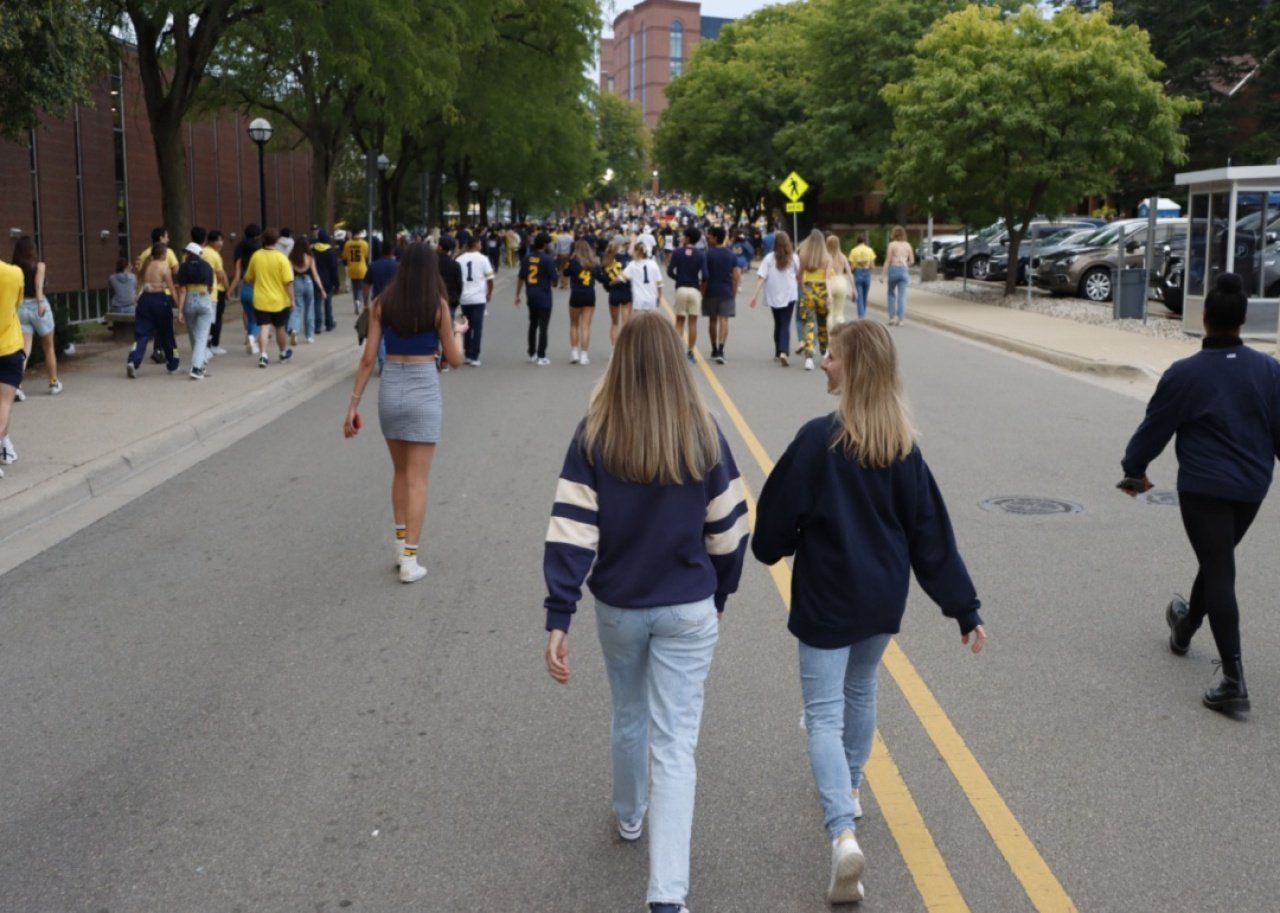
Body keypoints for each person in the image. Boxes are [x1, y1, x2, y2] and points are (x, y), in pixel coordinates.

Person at [752, 320, 985, 905]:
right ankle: (851, 789)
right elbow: (932, 536)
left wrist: (773, 546)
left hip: (828, 599)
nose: (824, 364)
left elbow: (773, 525)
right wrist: (964, 607)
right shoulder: (902, 448)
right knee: (861, 690)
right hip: (882, 600)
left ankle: (842, 834)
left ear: (853, 370)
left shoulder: (816, 442)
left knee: (824, 714)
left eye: (831, 357)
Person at [542, 312, 749, 913]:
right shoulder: (704, 433)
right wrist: (720, 594)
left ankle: (629, 815)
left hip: (620, 604)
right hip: (688, 603)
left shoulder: (596, 433)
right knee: (676, 743)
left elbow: (571, 531)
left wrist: (560, 614)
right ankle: (667, 894)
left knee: (629, 712)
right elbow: (729, 531)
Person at [1119, 272, 1280, 715]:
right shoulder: (1269, 369)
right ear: (1242, 321)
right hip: (1250, 488)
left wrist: (1135, 471)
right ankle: (1186, 625)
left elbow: (1155, 427)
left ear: (1204, 318)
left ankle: (1233, 680)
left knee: (1219, 569)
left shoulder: (1185, 373)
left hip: (1205, 488)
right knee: (1217, 561)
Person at [343, 242, 466, 583]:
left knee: (399, 473)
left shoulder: (383, 302)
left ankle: (400, 549)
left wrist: (353, 404)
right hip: (423, 387)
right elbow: (454, 360)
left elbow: (368, 358)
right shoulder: (437, 305)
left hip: (391, 388)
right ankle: (411, 559)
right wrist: (458, 331)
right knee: (418, 479)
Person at [11, 236, 61, 395]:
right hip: (38, 306)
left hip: (21, 308)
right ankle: (53, 383)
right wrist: (40, 303)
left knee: (24, 350)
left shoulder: (14, 269)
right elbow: (38, 284)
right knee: (49, 347)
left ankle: (17, 386)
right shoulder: (39, 266)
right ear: (33, 250)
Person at [126, 242, 181, 377]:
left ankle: (133, 360)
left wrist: (136, 295)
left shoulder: (146, 266)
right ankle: (173, 363)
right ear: (163, 254)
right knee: (166, 332)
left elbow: (139, 284)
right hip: (160, 299)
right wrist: (179, 305)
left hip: (145, 299)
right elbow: (172, 288)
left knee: (141, 333)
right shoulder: (164, 267)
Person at [748, 229, 799, 366]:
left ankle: (778, 351)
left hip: (773, 295)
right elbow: (798, 275)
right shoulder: (793, 258)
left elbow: (761, 277)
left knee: (778, 322)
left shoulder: (769, 258)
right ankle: (784, 351)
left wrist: (754, 295)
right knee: (785, 323)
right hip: (789, 295)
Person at [244, 229, 295, 367]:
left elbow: (248, 278)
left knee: (264, 327)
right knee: (280, 328)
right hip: (279, 300)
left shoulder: (256, 256)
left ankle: (263, 355)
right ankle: (283, 353)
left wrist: (258, 283)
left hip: (261, 299)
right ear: (277, 241)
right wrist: (292, 300)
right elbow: (288, 282)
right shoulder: (281, 258)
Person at [515, 231, 558, 366]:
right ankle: (541, 355)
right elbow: (554, 281)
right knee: (543, 326)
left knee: (533, 324)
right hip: (544, 295)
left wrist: (517, 294)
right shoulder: (547, 259)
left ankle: (532, 352)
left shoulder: (527, 258)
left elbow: (521, 277)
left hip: (531, 294)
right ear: (545, 245)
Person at [175, 241, 216, 379]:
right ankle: (197, 367)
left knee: (194, 335)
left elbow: (182, 290)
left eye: (186, 252)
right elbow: (210, 288)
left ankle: (200, 364)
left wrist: (180, 311)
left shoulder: (184, 267)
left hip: (189, 301)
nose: (185, 255)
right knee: (202, 336)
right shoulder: (207, 266)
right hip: (204, 298)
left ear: (190, 254)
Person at [0, 255, 25, 473]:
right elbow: (17, 304)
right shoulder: (14, 273)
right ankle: (4, 448)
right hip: (8, 346)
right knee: (5, 403)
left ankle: (5, 445)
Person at [668, 227, 706, 365]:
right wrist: (701, 288)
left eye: (684, 236)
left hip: (681, 288)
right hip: (694, 289)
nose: (682, 238)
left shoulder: (677, 253)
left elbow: (669, 271)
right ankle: (690, 352)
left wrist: (679, 278)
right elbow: (705, 275)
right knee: (693, 323)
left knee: (679, 321)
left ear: (688, 238)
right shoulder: (701, 254)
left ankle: (677, 352)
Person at [702, 225, 740, 365]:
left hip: (711, 291)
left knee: (712, 320)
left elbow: (705, 276)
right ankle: (721, 350)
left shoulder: (708, 254)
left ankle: (713, 349)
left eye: (710, 236)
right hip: (726, 291)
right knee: (724, 320)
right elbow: (736, 276)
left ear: (715, 237)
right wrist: (734, 292)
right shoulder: (730, 254)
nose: (708, 238)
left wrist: (702, 292)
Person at [796, 229, 833, 372]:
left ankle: (809, 358)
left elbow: (799, 276)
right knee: (823, 324)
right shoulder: (827, 257)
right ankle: (825, 352)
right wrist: (829, 295)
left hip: (808, 291)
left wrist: (802, 287)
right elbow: (828, 279)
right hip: (822, 291)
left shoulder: (804, 255)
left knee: (808, 324)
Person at [456, 233, 494, 366]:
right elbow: (490, 278)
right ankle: (475, 356)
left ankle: (467, 354)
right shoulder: (483, 259)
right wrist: (489, 293)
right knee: (477, 328)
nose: (481, 245)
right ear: (476, 244)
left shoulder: (459, 259)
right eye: (480, 243)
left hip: (464, 298)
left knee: (466, 326)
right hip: (478, 298)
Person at [566, 239, 603, 365]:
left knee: (574, 324)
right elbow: (601, 278)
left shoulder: (574, 263)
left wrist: (570, 259)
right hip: (589, 295)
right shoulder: (593, 263)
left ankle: (574, 353)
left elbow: (565, 273)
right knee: (585, 326)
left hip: (576, 294)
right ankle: (584, 355)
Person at [230, 223, 262, 354]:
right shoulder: (260, 253)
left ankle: (251, 341)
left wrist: (229, 291)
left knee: (250, 317)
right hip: (257, 288)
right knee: (260, 318)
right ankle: (252, 337)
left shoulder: (240, 253)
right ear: (257, 236)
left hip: (245, 288)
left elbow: (237, 276)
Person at [289, 236, 327, 345]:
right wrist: (322, 289)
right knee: (310, 309)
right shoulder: (310, 257)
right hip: (308, 282)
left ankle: (294, 329)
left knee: (296, 308)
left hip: (296, 282)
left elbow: (290, 276)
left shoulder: (292, 257)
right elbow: (315, 274)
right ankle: (310, 336)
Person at [201, 230, 230, 354]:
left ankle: (207, 345)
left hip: (203, 290)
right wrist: (225, 288)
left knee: (207, 320)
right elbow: (221, 275)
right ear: (211, 241)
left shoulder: (201, 251)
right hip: (216, 291)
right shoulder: (213, 254)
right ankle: (213, 344)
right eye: (218, 240)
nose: (221, 243)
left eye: (222, 240)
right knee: (215, 319)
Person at [881, 225, 915, 326]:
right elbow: (912, 261)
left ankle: (892, 317)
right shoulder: (908, 245)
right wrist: (905, 264)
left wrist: (883, 275)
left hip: (894, 269)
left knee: (891, 293)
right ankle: (901, 319)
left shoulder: (892, 245)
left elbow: (888, 260)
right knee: (902, 295)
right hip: (904, 269)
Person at [602, 241, 632, 345]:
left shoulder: (606, 261)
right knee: (626, 323)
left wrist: (608, 287)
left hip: (613, 293)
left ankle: (614, 349)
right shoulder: (625, 259)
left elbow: (604, 281)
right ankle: (625, 346)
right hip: (626, 292)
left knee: (614, 323)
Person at [624, 240, 665, 316]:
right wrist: (659, 298)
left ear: (636, 252)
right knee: (651, 324)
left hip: (638, 300)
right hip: (651, 300)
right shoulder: (653, 264)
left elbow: (622, 278)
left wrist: (611, 282)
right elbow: (660, 284)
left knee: (639, 325)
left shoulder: (633, 264)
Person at [312, 229, 340, 333]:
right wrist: (336, 283)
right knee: (328, 303)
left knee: (317, 303)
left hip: (316, 280)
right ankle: (329, 323)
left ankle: (317, 325)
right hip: (328, 281)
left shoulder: (313, 250)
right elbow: (334, 269)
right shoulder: (331, 252)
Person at [826, 234, 853, 327]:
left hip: (830, 283)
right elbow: (849, 273)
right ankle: (840, 334)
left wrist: (829, 294)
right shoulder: (843, 257)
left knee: (829, 313)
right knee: (839, 312)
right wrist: (853, 289)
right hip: (841, 282)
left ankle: (830, 336)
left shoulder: (826, 257)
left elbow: (826, 276)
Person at [847, 235, 876, 320]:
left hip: (858, 273)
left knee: (859, 295)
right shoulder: (870, 250)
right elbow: (872, 266)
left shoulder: (854, 251)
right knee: (865, 295)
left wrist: (850, 271)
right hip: (867, 273)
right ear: (865, 241)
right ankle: (864, 313)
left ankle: (861, 315)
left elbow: (852, 267)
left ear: (857, 241)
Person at [342, 229, 371, 313]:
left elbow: (344, 256)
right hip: (362, 268)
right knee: (361, 287)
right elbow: (366, 255)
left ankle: (356, 300)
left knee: (355, 287)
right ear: (359, 234)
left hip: (352, 268)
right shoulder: (364, 244)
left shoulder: (347, 244)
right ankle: (360, 301)